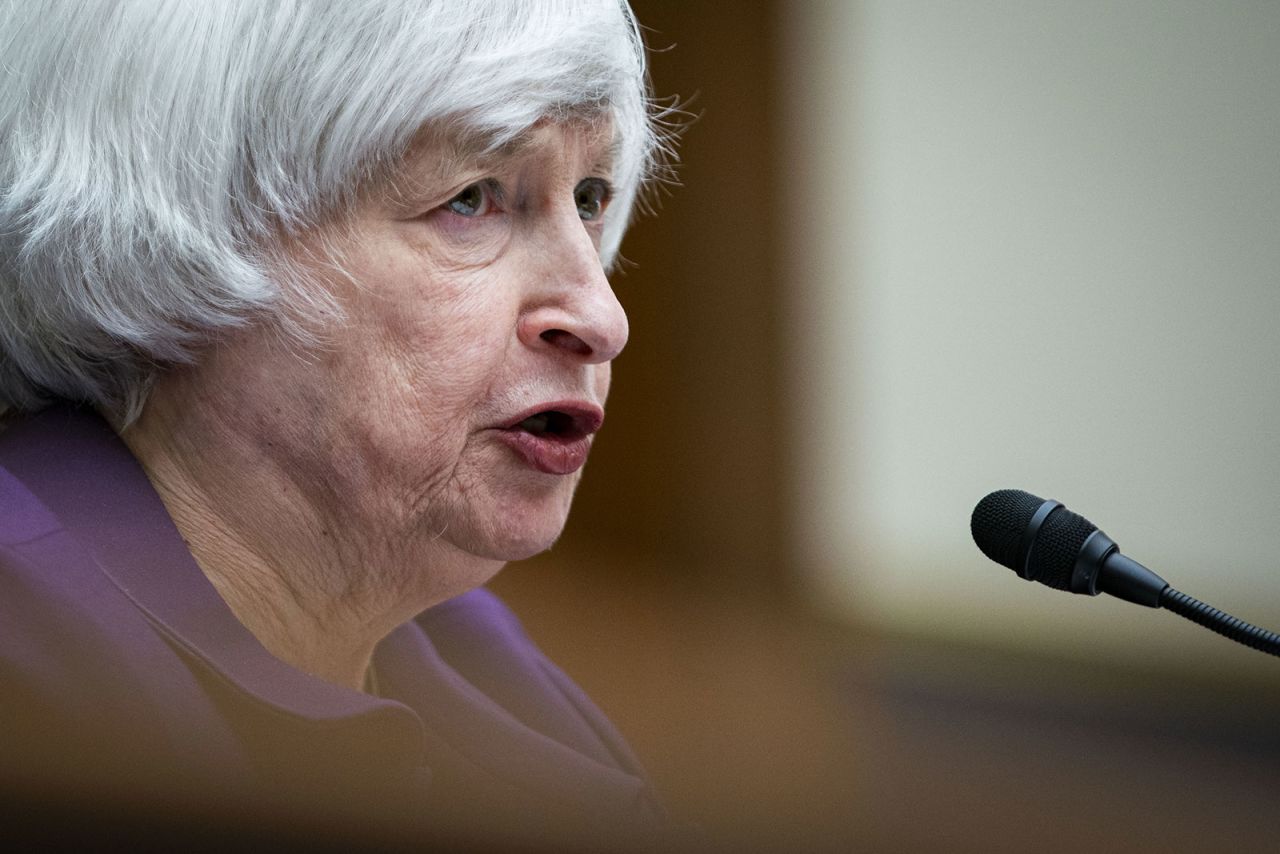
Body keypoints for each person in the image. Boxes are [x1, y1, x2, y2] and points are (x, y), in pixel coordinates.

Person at [0, 0, 674, 848]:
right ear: (174, 240)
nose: (600, 317)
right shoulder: (26, 673)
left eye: (589, 195)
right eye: (471, 199)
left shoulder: (484, 664)